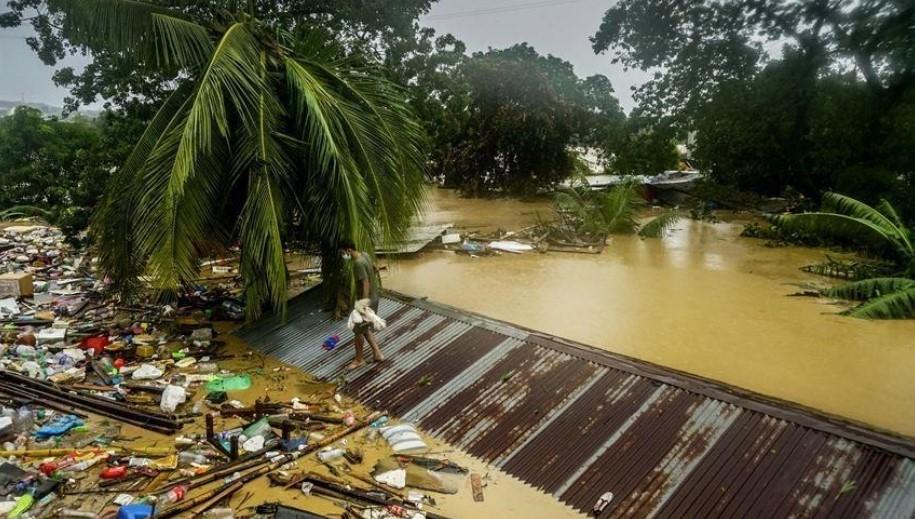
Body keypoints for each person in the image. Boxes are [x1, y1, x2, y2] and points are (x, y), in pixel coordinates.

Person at [339, 239, 385, 369]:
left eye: (343, 252)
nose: (343, 255)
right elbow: (375, 268)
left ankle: (359, 360)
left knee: (358, 330)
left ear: (348, 250)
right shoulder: (365, 255)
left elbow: (365, 283)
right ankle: (378, 354)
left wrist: (363, 305)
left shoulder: (357, 264)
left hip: (367, 301)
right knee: (364, 328)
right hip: (374, 297)